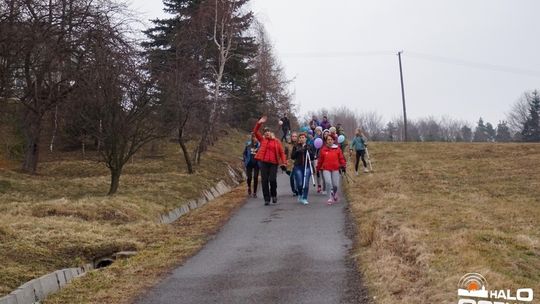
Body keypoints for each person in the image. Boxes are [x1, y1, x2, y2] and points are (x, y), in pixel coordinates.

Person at [253, 116, 287, 205]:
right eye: (265, 132)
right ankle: (266, 199)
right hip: (264, 162)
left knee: (272, 180)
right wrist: (259, 123)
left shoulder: (277, 141)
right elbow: (255, 132)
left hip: (273, 163)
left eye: (268, 131)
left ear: (271, 133)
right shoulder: (263, 140)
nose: (267, 133)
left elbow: (282, 153)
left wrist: (284, 162)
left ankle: (274, 195)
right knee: (264, 181)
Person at [316, 135, 346, 205]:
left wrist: (343, 166)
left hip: (335, 168)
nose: (330, 141)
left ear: (333, 140)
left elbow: (341, 158)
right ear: (326, 141)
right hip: (326, 169)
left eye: (331, 139)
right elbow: (320, 160)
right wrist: (317, 169)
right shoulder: (323, 149)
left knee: (335, 185)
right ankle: (329, 198)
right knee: (328, 183)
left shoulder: (337, 149)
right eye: (328, 139)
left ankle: (334, 193)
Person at [291, 132, 315, 205]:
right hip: (298, 167)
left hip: (307, 166)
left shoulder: (309, 146)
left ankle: (304, 198)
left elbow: (312, 157)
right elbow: (292, 157)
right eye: (300, 138)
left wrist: (309, 151)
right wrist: (298, 151)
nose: (301, 139)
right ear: (299, 139)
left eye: (303, 137)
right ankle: (300, 194)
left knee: (306, 183)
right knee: (300, 183)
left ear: (306, 139)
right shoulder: (296, 146)